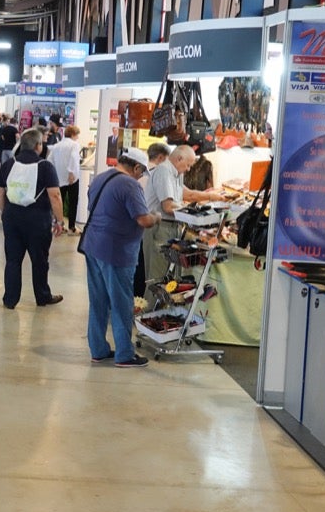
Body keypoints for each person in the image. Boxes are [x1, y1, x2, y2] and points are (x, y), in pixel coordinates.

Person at [80, 147, 160, 368]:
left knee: (98, 301)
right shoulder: (129, 184)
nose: (141, 177)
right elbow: (143, 219)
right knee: (121, 302)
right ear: (136, 167)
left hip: (94, 246)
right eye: (142, 172)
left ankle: (98, 349)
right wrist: (156, 217)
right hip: (116, 251)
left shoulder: (100, 178)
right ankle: (124, 354)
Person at [0, 127, 67, 309]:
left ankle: (10, 299)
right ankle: (42, 296)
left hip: (12, 217)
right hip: (38, 220)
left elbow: (0, 191)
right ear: (38, 145)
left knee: (12, 260)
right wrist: (59, 221)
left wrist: (5, 213)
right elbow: (55, 195)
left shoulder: (9, 164)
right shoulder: (45, 166)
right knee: (40, 260)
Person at [142, 144, 225, 286]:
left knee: (169, 280)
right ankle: (152, 308)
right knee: (159, 279)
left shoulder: (176, 173)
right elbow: (168, 206)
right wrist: (194, 212)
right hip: (160, 228)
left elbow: (188, 194)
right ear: (179, 158)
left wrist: (212, 196)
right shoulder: (164, 172)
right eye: (188, 165)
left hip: (170, 227)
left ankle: (162, 308)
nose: (188, 169)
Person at [134, 142, 171, 297]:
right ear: (161, 157)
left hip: (136, 226)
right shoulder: (154, 175)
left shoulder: (141, 174)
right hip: (146, 225)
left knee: (137, 266)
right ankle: (139, 301)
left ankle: (135, 299)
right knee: (143, 267)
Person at [47, 125, 81, 235]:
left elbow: (49, 160)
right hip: (72, 179)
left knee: (58, 202)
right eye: (77, 135)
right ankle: (72, 228)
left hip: (58, 178)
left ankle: (58, 225)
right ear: (73, 134)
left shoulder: (57, 146)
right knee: (73, 202)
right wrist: (71, 173)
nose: (77, 137)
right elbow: (74, 158)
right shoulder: (74, 145)